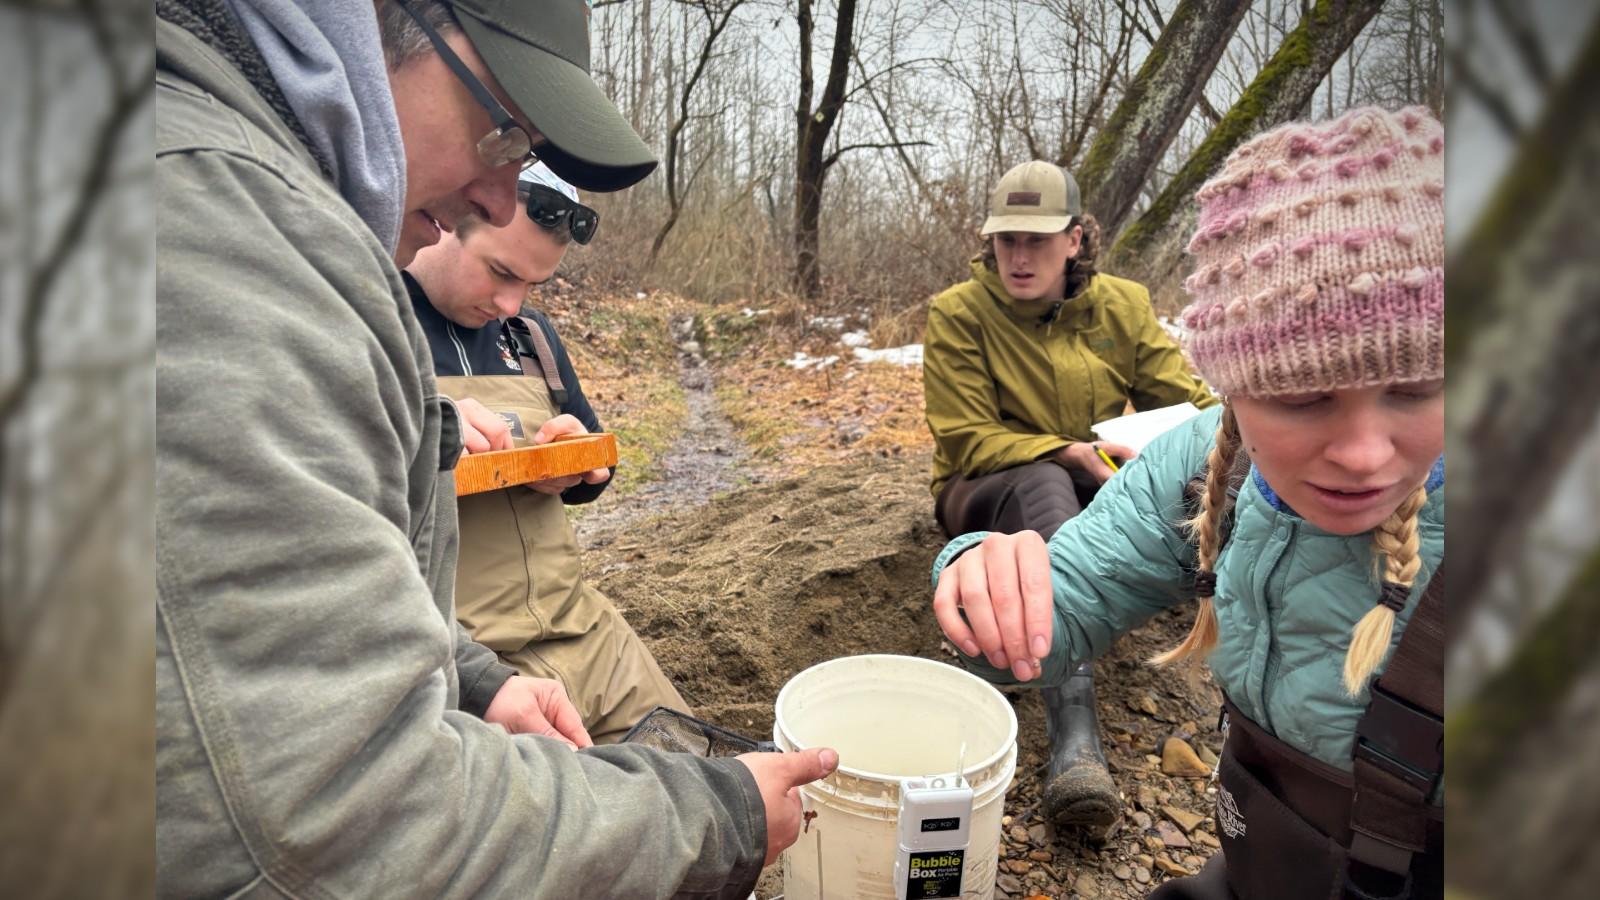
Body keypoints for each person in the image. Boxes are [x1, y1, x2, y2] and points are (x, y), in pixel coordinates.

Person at [156, 1, 835, 897]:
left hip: (550, 628)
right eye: (502, 132)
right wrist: (714, 821)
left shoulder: (296, 240)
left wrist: (474, 682)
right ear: (377, 24)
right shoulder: (220, 234)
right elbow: (338, 826)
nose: (497, 194)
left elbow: (314, 612)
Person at [929, 106, 1445, 899]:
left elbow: (1174, 394)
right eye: (1301, 398)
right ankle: (1075, 737)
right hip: (1269, 858)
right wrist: (984, 583)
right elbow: (1003, 488)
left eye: (1416, 390)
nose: (1363, 452)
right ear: (1238, 395)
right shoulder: (1209, 459)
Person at [922, 159, 1218, 836]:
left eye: (1039, 240)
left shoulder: (1122, 305)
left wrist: (1176, 448)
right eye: (1007, 242)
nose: (1020, 258)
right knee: (1046, 480)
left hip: (1091, 471)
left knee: (1182, 478)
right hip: (984, 485)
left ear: (1075, 239)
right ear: (989, 242)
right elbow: (967, 436)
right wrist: (1071, 451)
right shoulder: (958, 314)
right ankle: (1073, 733)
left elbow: (1187, 405)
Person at [406, 162, 691, 744]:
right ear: (442, 218)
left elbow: (594, 464)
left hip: (584, 630)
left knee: (700, 773)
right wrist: (426, 438)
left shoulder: (529, 339)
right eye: (501, 272)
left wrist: (575, 468)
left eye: (532, 285)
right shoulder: (374, 330)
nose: (512, 303)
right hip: (471, 662)